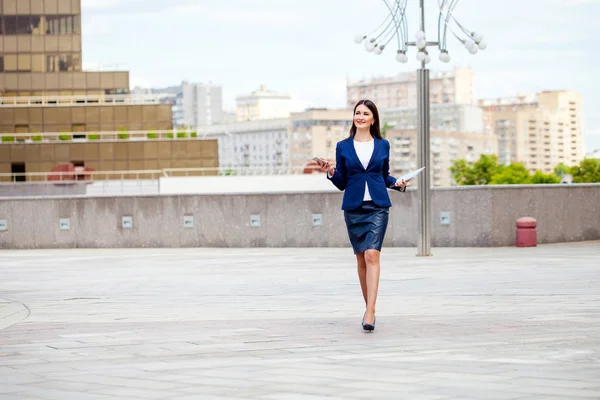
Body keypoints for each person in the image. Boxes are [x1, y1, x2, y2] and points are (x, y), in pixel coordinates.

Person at [317, 99, 406, 332]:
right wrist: (331, 172)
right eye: (358, 112)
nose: (361, 116)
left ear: (373, 119)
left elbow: (383, 176)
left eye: (366, 113)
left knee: (372, 255)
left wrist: (398, 184)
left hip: (377, 207)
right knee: (360, 259)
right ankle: (370, 307)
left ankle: (370, 311)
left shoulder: (383, 144)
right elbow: (342, 182)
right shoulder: (343, 146)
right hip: (354, 207)